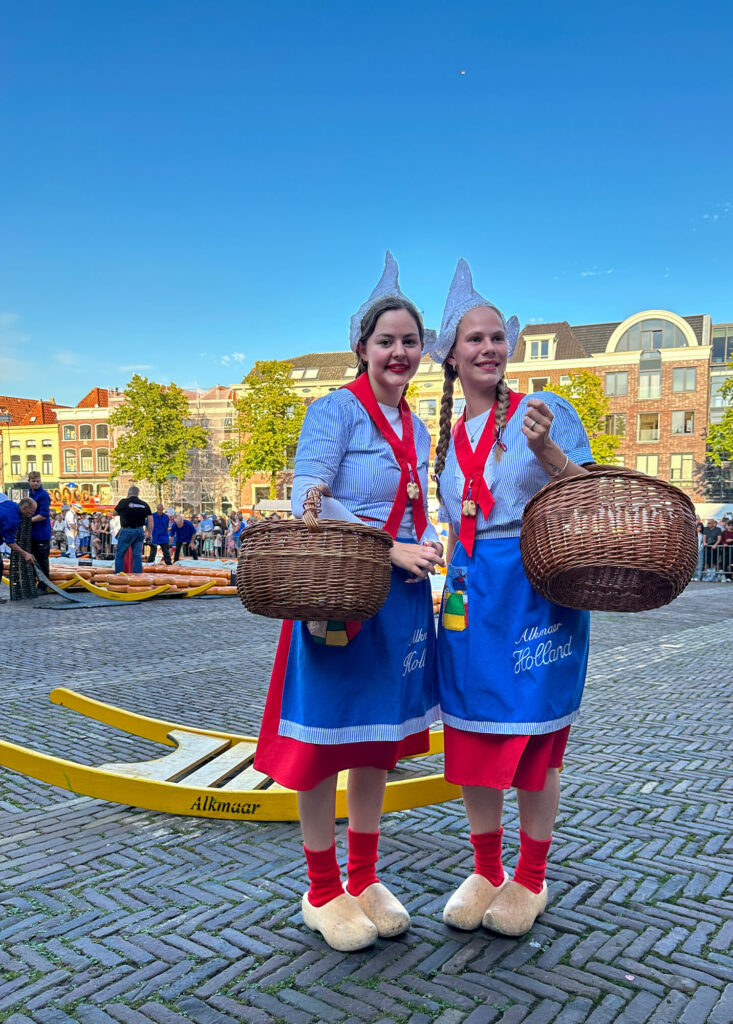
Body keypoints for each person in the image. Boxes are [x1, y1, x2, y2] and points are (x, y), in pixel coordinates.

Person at [254, 252, 443, 952]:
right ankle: (321, 888)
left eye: (408, 341)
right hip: (338, 589)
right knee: (322, 739)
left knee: (373, 742)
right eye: (386, 340)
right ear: (361, 349)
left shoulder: (417, 427)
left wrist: (425, 548)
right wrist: (387, 546)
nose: (399, 352)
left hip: (397, 602)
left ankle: (363, 877)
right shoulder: (334, 411)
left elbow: (416, 502)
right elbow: (310, 494)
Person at [431, 260, 594, 938]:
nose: (488, 348)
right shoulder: (445, 441)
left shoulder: (544, 410)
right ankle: (485, 867)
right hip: (470, 592)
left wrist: (549, 451)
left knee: (532, 739)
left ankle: (530, 876)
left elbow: (588, 492)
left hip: (533, 586)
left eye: (496, 337)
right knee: (471, 734)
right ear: (451, 354)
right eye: (474, 339)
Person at [0, 498, 36, 598]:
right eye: (31, 511)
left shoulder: (10, 504)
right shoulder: (13, 519)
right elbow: (9, 541)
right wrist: (25, 553)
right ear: (24, 508)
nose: (32, 514)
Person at [114, 486, 153, 574]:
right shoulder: (144, 504)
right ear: (138, 493)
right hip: (139, 531)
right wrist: (150, 533)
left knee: (120, 553)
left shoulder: (123, 502)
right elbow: (150, 520)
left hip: (127, 530)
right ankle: (137, 578)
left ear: (128, 493)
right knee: (137, 555)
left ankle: (118, 576)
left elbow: (114, 513)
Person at [27, 471, 52, 592]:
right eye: (33, 481)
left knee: (42, 561)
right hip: (32, 533)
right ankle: (32, 584)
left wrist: (29, 520)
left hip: (41, 534)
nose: (36, 483)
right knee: (32, 560)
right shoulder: (30, 493)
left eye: (38, 481)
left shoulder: (43, 495)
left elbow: (44, 515)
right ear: (29, 481)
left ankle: (43, 586)